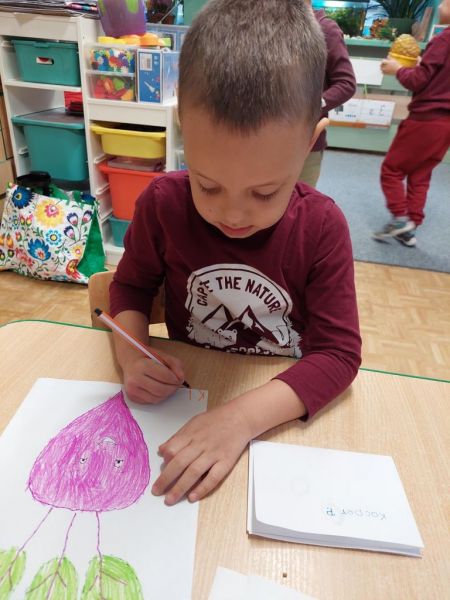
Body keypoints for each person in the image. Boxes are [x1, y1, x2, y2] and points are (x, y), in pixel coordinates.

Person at [110, 0, 361, 506]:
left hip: (275, 415)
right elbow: (130, 288)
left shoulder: (322, 226)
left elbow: (338, 355)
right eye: (207, 185)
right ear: (183, 127)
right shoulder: (162, 204)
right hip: (185, 400)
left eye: (266, 192)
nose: (234, 214)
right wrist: (132, 357)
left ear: (311, 142)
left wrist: (240, 419)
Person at [373, 0, 450, 247]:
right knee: (421, 173)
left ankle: (399, 218)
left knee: (391, 170)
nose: (441, 6)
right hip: (445, 125)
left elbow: (417, 82)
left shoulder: (443, 40)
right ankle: (410, 227)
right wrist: (421, 67)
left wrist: (396, 69)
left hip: (425, 119)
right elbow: (436, 78)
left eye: (445, 2)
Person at [299, 1, 357, 187]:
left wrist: (313, 105)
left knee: (299, 198)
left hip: (306, 141)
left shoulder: (325, 28)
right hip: (266, 139)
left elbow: (346, 83)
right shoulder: (270, 28)